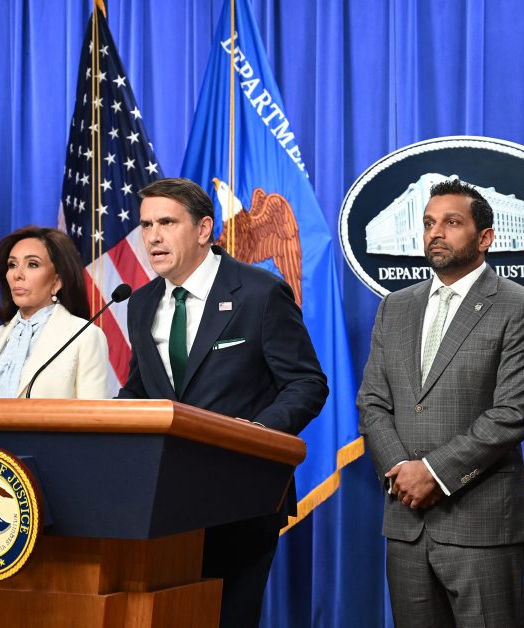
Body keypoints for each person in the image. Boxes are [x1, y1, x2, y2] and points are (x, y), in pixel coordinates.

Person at [117, 177, 328, 627]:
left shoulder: (258, 293)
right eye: (146, 225)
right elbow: (140, 389)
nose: (153, 237)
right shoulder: (141, 303)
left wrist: (257, 434)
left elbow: (306, 383)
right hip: (162, 501)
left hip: (240, 494)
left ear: (203, 229)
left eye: (167, 223)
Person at [357, 178, 524, 627]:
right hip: (405, 521)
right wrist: (401, 472)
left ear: (485, 238)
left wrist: (432, 473)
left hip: (481, 523)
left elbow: (512, 414)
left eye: (451, 223)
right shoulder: (395, 306)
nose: (435, 233)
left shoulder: (521, 307)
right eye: (429, 223)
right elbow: (372, 401)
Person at [0, 226, 111, 399]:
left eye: (32, 264)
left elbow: (93, 413)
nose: (17, 274)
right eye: (12, 265)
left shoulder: (85, 337)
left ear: (57, 281)